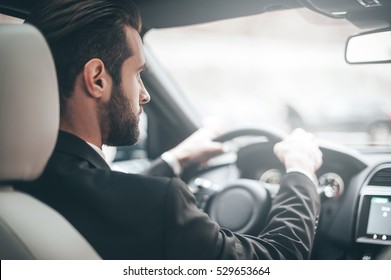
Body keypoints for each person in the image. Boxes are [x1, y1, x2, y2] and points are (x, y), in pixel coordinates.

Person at [16, 0, 322, 259]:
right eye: (137, 75)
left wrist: (175, 160)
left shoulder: (27, 182)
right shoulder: (158, 203)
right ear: (97, 78)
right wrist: (300, 172)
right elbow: (276, 260)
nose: (144, 95)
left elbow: (109, 201)